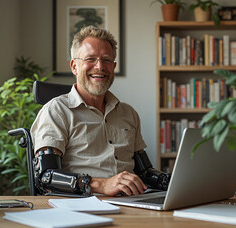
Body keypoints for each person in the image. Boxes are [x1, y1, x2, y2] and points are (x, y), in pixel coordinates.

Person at [30, 26, 169, 197]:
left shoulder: (128, 113)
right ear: (74, 66)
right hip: (80, 207)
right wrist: (101, 185)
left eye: (106, 60)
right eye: (90, 59)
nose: (100, 66)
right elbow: (46, 176)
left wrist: (172, 181)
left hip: (132, 204)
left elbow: (145, 172)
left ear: (114, 66)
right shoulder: (56, 111)